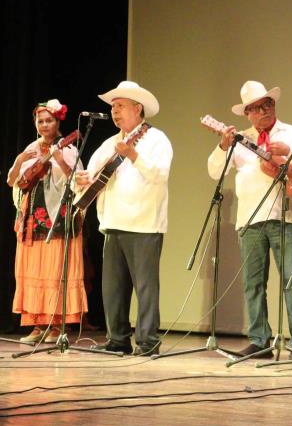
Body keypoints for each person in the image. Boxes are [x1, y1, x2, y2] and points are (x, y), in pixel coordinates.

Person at [208, 81, 292, 359]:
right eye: (256, 108)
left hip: (286, 216)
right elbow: (214, 171)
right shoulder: (239, 139)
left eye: (267, 104)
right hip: (250, 218)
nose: (263, 110)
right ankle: (259, 340)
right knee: (253, 283)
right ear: (247, 114)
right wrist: (222, 147)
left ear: (274, 105)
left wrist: (291, 154)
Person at [76, 81, 172, 356]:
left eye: (120, 106)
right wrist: (82, 181)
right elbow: (89, 177)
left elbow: (160, 174)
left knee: (145, 288)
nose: (115, 112)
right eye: (113, 107)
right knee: (113, 288)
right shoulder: (109, 143)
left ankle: (147, 341)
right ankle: (117, 339)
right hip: (113, 223)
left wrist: (133, 154)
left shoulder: (157, 139)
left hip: (144, 223)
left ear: (137, 108)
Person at [6, 99, 87, 343]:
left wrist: (59, 159)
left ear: (58, 121)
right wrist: (20, 161)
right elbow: (13, 181)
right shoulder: (31, 147)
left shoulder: (69, 148)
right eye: (40, 121)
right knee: (33, 269)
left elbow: (78, 182)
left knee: (53, 270)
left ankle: (56, 326)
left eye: (49, 120)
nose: (44, 125)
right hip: (32, 217)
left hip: (57, 219)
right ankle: (37, 325)